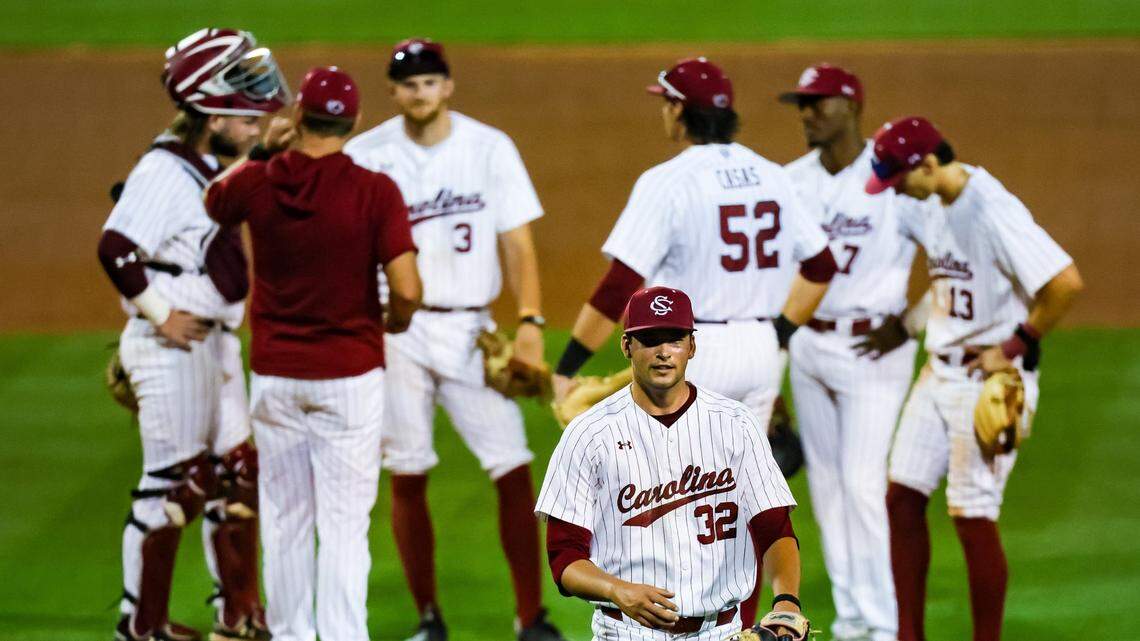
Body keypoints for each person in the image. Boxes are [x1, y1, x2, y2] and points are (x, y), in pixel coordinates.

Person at [549, 57, 837, 626]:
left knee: (670, 507)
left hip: (688, 352)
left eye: (666, 102)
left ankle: (656, 621)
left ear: (680, 111)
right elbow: (822, 264)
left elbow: (619, 286)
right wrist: (774, 333)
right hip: (759, 351)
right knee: (739, 506)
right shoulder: (772, 173)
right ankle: (742, 629)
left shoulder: (668, 181)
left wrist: (569, 363)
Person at [344, 39, 564, 641]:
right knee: (408, 469)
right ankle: (427, 619)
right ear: (394, 92)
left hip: (473, 330)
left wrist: (529, 321)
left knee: (513, 465)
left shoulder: (489, 147)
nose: (420, 94)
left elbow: (518, 243)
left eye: (430, 82)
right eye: (408, 84)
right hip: (397, 332)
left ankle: (531, 617)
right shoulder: (366, 154)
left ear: (449, 86)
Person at [205, 66, 422, 641]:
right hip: (350, 376)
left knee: (285, 521)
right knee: (345, 527)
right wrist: (392, 323)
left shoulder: (260, 181)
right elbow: (407, 289)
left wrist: (258, 153)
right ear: (353, 123)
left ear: (298, 116)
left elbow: (214, 204)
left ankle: (293, 635)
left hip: (276, 378)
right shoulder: (375, 191)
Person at [96, 27, 288, 641]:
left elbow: (228, 183)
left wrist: (265, 152)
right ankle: (139, 625)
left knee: (236, 473)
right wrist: (158, 314)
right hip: (173, 347)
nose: (259, 116)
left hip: (215, 348)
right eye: (247, 110)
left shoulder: (207, 162)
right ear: (211, 109)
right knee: (169, 485)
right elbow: (117, 248)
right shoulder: (160, 170)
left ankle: (235, 612)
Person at [864, 116, 1084, 641]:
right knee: (902, 499)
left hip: (985, 383)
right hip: (937, 374)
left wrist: (1013, 347)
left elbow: (1065, 283)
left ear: (928, 164)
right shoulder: (935, 201)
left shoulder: (992, 210)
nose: (896, 189)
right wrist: (910, 325)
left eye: (899, 177)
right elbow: (948, 282)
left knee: (972, 514)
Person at [536, 286, 811, 641]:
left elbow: (775, 530)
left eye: (675, 339)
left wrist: (786, 600)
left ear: (692, 347)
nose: (664, 352)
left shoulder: (737, 424)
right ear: (626, 346)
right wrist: (616, 589)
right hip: (624, 633)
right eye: (650, 340)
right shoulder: (588, 434)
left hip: (721, 632)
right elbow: (564, 558)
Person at [778, 64, 925, 641]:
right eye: (801, 104)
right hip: (811, 345)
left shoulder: (893, 180)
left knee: (863, 484)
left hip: (874, 353)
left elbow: (950, 256)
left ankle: (885, 625)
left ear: (853, 106)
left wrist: (910, 325)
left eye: (818, 103)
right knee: (829, 490)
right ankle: (852, 620)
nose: (807, 114)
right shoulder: (790, 181)